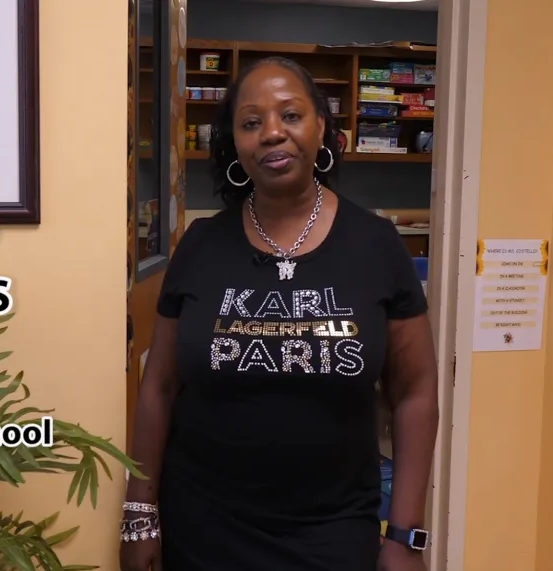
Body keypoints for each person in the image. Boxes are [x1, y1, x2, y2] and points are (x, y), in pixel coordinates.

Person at [120, 56, 440, 571]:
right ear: (235, 144)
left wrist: (405, 536)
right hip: (201, 531)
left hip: (333, 534)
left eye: (290, 115)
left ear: (321, 128)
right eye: (251, 122)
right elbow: (158, 388)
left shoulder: (376, 246)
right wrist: (139, 515)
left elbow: (417, 394)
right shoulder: (200, 247)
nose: (272, 133)